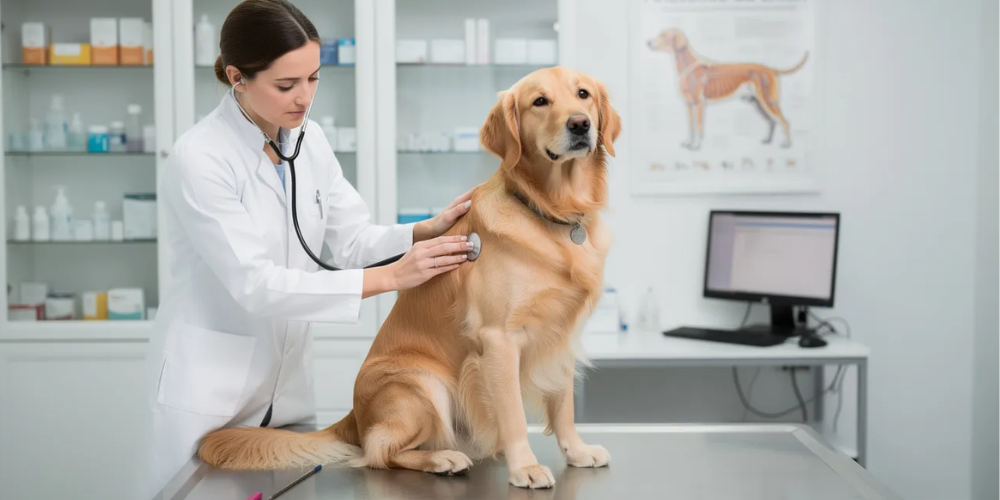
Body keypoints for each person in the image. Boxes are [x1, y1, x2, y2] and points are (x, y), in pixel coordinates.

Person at [136, 1, 476, 497]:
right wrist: (391, 278)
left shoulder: (307, 140)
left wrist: (420, 231)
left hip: (288, 391)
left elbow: (352, 237)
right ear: (238, 77)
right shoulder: (200, 157)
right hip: (210, 394)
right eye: (286, 85)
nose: (305, 98)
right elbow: (256, 284)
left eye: (313, 79)